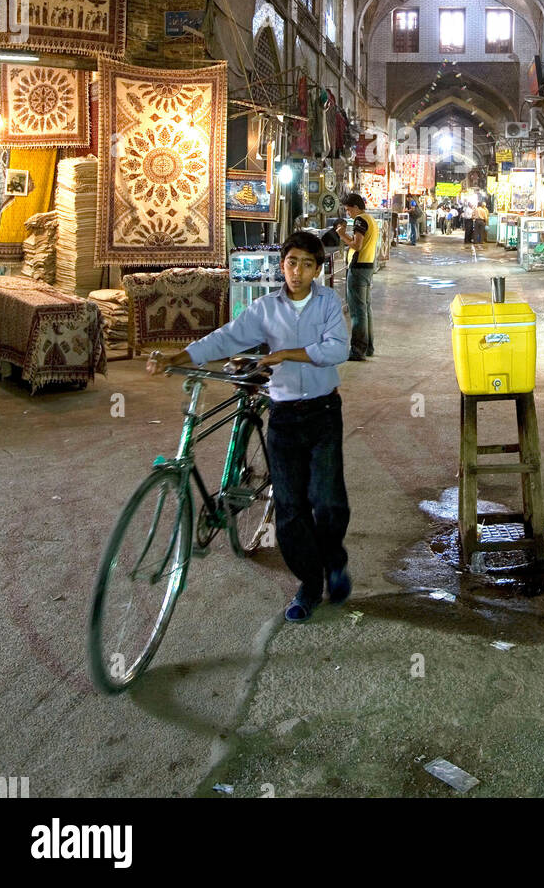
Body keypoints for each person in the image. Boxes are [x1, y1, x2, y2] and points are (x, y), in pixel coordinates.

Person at [147, 232, 351, 624]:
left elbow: (337, 349)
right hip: (284, 415)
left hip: (324, 412)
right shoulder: (264, 308)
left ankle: (335, 562)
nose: (297, 271)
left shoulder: (328, 303)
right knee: (290, 509)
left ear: (318, 270)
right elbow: (228, 336)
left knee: (327, 500)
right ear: (282, 265)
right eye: (291, 262)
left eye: (307, 264)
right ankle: (309, 583)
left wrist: (287, 354)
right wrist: (180, 355)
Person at [337, 193, 379, 360]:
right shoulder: (371, 219)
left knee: (357, 311)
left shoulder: (360, 220)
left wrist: (342, 234)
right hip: (368, 267)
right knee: (365, 308)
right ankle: (368, 347)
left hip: (358, 268)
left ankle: (357, 350)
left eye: (348, 210)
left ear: (355, 207)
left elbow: (357, 244)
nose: (348, 213)